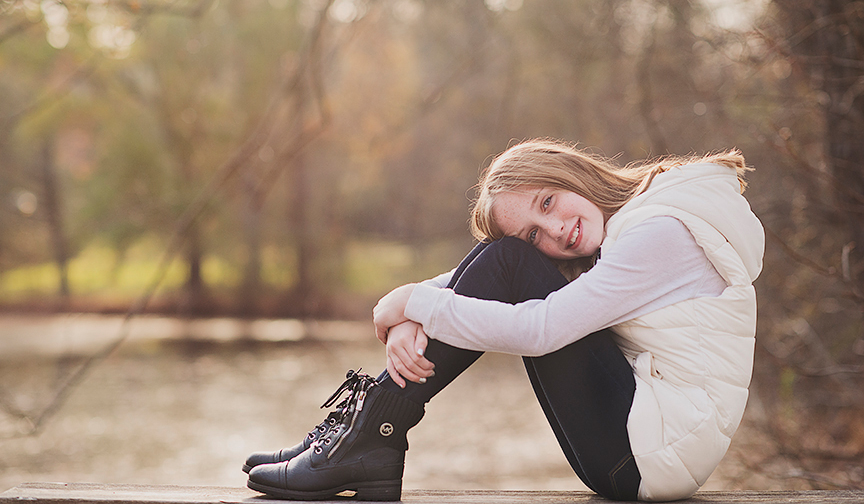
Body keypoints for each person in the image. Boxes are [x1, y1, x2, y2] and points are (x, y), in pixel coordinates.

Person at [244, 138, 764, 502]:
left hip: (645, 457)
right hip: (644, 446)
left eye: (548, 202)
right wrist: (406, 305)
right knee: (505, 258)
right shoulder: (632, 222)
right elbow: (478, 274)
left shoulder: (660, 234)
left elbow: (540, 330)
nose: (556, 231)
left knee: (508, 261)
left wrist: (414, 304)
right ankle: (359, 436)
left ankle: (370, 433)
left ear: (568, 174)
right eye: (535, 233)